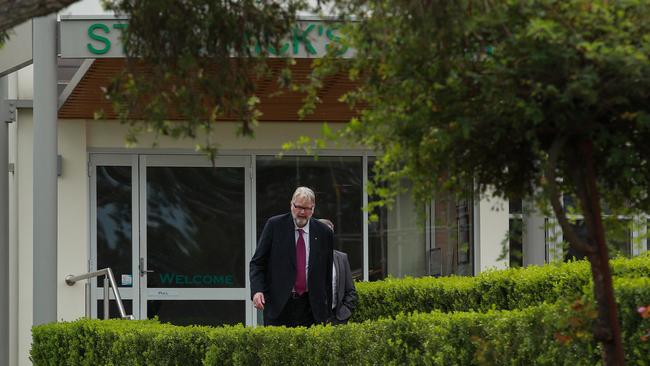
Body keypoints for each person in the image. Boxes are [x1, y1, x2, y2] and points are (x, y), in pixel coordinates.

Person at [250, 187, 334, 327]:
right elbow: (258, 263)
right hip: (280, 305)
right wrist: (257, 290)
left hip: (312, 307)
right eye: (298, 207)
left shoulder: (324, 232)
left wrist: (328, 309)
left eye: (306, 208)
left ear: (313, 208)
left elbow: (327, 272)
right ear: (291, 205)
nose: (302, 212)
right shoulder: (275, 226)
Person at [318, 219, 358, 325]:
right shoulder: (305, 258)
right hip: (312, 319)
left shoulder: (342, 258)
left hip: (336, 319)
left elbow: (350, 291)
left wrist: (345, 312)